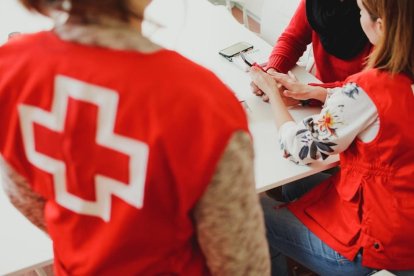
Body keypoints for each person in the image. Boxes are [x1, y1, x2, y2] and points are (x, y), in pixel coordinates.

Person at [0, 0, 270, 275]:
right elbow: (242, 265)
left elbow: (24, 195)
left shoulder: (9, 68)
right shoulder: (201, 102)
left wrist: (90, 238)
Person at [250, 0, 414, 274]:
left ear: (381, 26)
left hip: (374, 243)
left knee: (252, 213)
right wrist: (314, 91)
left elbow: (299, 146)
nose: (358, 17)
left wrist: (275, 95)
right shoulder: (397, 79)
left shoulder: (368, 87)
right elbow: (363, 105)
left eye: (361, 12)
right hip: (402, 220)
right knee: (294, 187)